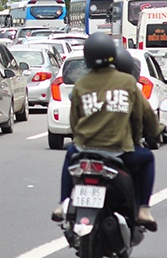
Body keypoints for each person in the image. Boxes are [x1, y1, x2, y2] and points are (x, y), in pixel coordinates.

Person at [52, 32, 159, 228]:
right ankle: (143, 208)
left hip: (85, 150)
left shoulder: (81, 84)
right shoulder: (127, 83)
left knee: (70, 154)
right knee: (147, 158)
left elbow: (74, 123)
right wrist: (138, 138)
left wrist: (81, 139)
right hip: (119, 152)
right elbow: (138, 118)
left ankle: (62, 203)